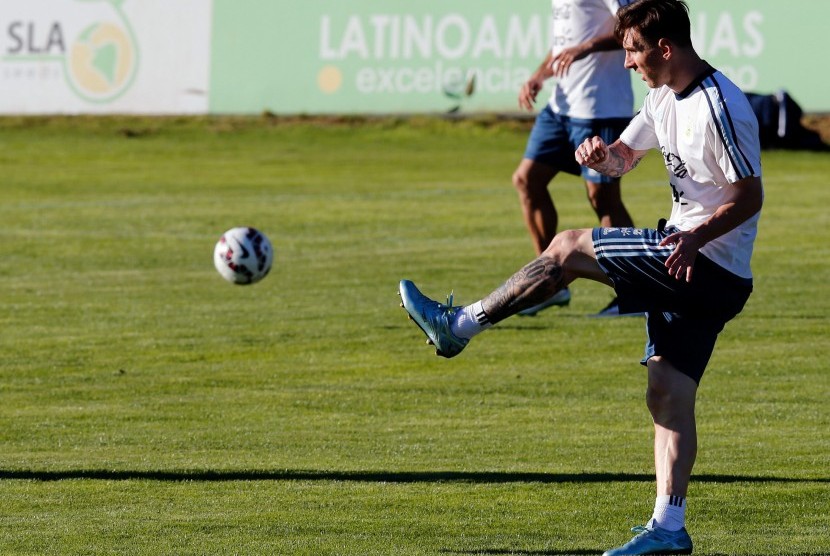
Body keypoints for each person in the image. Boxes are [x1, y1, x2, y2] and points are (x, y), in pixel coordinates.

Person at [399, 0, 763, 554]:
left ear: (665, 48)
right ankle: (669, 529)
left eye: (634, 51)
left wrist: (694, 237)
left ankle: (459, 324)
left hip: (699, 260)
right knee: (668, 391)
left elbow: (748, 196)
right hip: (703, 269)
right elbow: (624, 156)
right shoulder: (663, 95)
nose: (626, 63)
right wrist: (602, 156)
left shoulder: (720, 105)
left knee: (569, 246)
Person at [513, 0, 637, 317]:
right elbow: (562, 45)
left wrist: (586, 47)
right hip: (561, 106)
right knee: (527, 181)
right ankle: (550, 284)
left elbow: (634, 27)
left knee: (603, 199)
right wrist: (539, 75)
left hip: (600, 106)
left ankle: (635, 293)